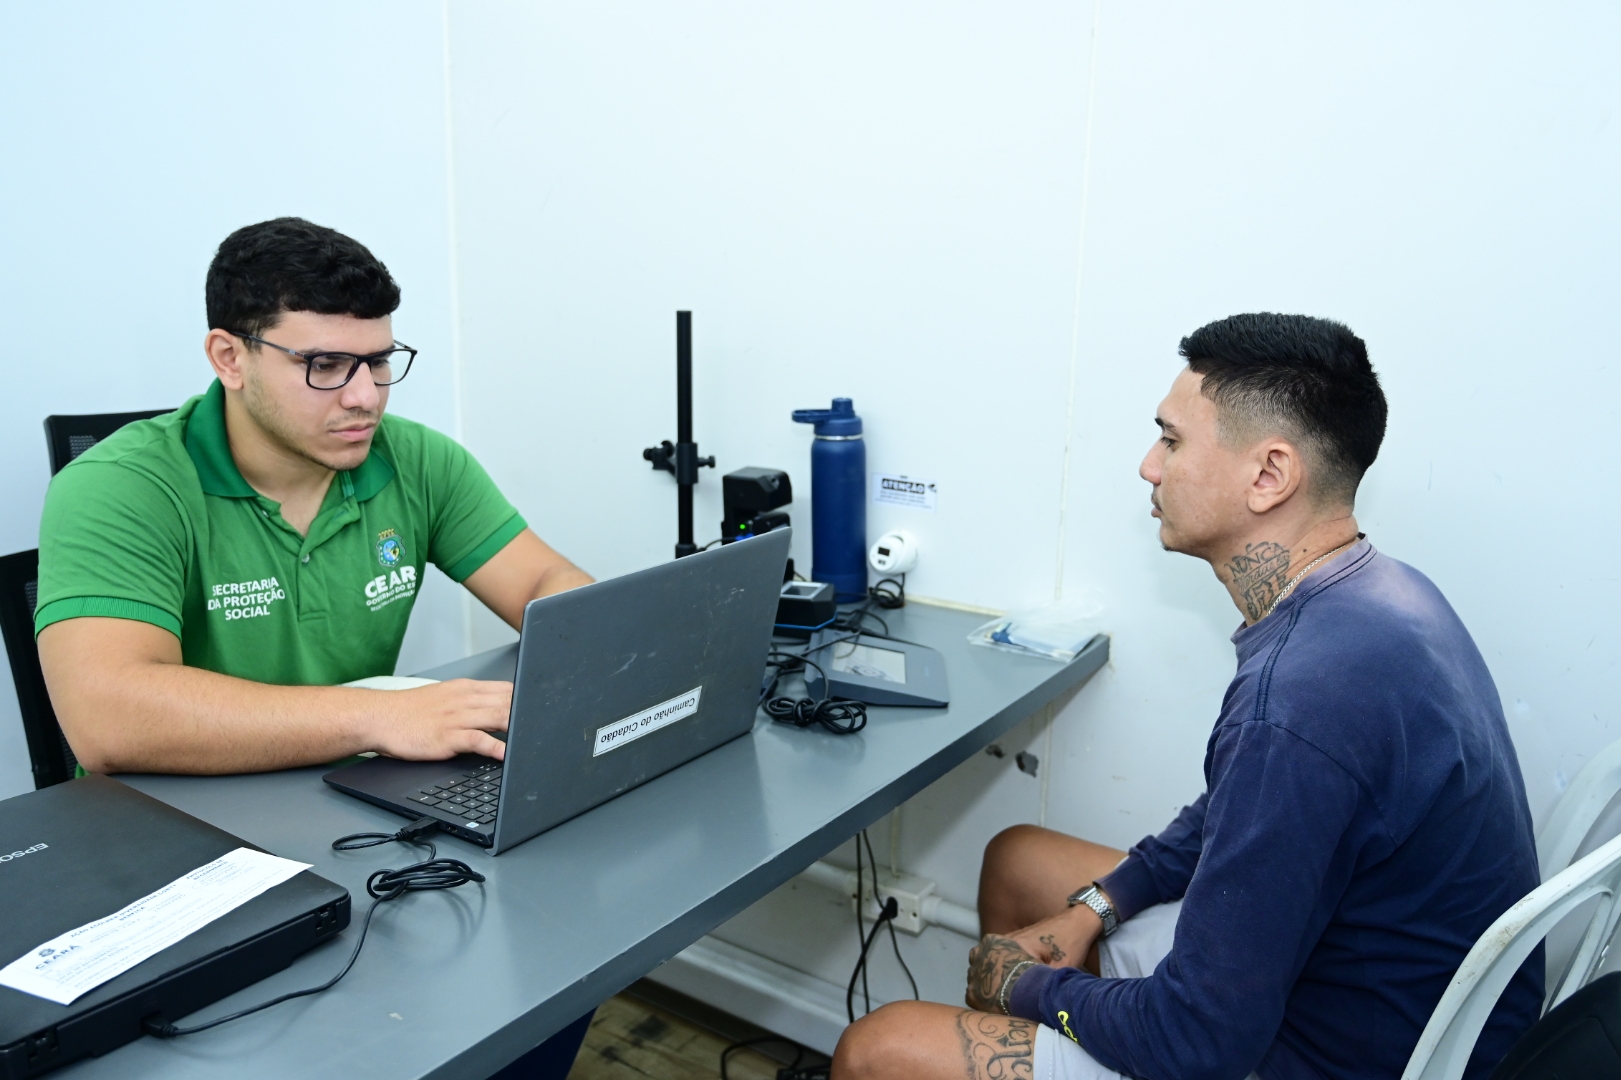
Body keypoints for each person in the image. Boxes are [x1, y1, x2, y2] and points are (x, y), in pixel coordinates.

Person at [832, 314, 1543, 1080]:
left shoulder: (1298, 701)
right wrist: (1093, 909)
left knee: (878, 1050)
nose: (1147, 466)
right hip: (1360, 981)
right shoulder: (1380, 595)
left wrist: (1030, 987)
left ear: (1268, 474)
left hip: (1350, 1054)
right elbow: (1231, 812)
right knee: (1018, 861)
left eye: (1169, 440)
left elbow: (1197, 1043)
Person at [35, 217, 592, 776]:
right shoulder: (118, 486)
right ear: (229, 358)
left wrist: (599, 661)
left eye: (377, 361)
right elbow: (110, 721)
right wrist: (382, 716)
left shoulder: (418, 459)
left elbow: (551, 589)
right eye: (324, 365)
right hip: (172, 824)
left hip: (350, 793)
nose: (364, 397)